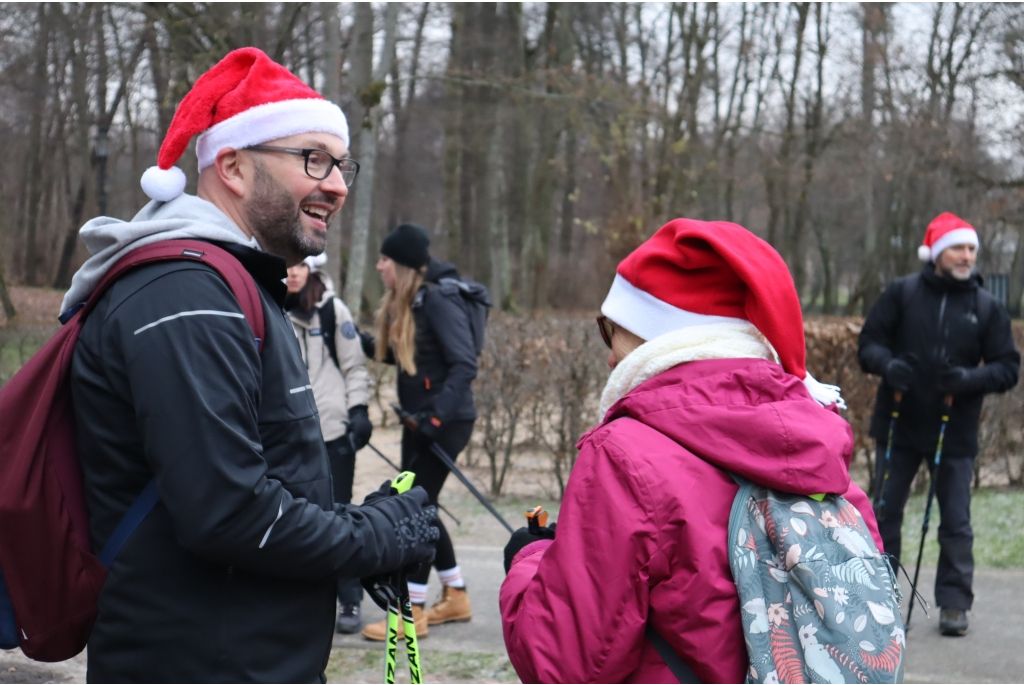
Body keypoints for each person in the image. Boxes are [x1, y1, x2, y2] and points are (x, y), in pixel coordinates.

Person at [62, 48, 438, 682]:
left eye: (342, 163)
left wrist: (364, 525)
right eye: (312, 159)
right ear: (232, 166)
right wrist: (374, 537)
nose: (339, 185)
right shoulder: (185, 295)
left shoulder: (227, 285)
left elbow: (260, 488)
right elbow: (228, 514)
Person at [500, 219, 883, 683]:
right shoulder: (818, 445)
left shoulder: (624, 456)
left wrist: (530, 560)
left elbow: (559, 664)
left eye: (611, 331)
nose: (608, 356)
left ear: (658, 338)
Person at [858, 212, 1019, 637]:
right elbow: (868, 344)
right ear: (937, 253)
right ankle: (880, 595)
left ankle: (953, 603)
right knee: (884, 513)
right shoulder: (902, 294)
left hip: (956, 430)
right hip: (898, 425)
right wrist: (888, 366)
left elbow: (1007, 368)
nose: (967, 256)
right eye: (958, 248)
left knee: (955, 520)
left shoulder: (986, 306)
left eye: (971, 249)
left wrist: (969, 380)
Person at [359, 223, 478, 641]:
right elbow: (417, 359)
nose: (379, 266)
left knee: (416, 508)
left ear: (404, 266)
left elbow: (465, 364)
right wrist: (360, 341)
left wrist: (434, 420)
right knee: (424, 505)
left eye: (385, 260)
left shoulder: (441, 299)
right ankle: (457, 594)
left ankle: (413, 612)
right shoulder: (414, 301)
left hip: (443, 423)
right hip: (420, 420)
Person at [285, 253, 374, 634]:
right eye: (286, 265)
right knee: (295, 518)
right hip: (289, 435)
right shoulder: (268, 307)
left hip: (335, 432)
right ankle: (299, 601)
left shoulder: (332, 310)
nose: (292, 272)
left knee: (339, 514)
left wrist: (358, 411)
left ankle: (350, 600)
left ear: (312, 269)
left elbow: (354, 365)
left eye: (300, 266)